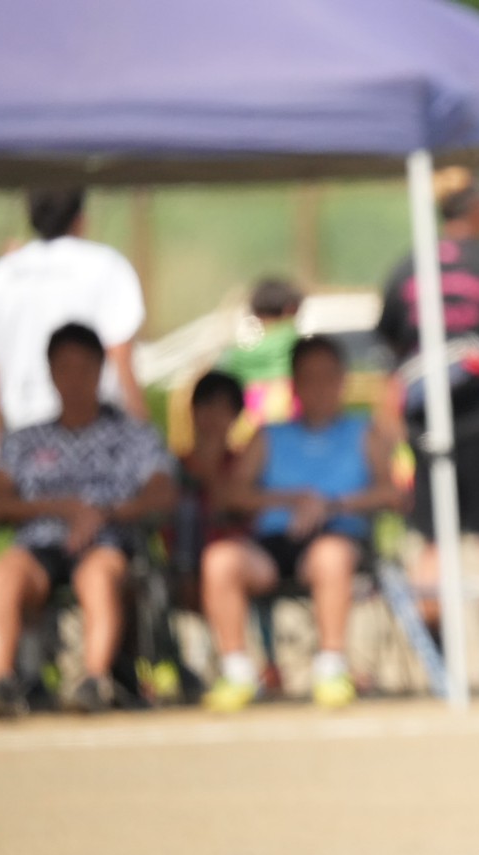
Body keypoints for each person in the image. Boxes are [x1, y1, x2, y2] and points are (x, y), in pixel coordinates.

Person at [376, 168, 479, 678]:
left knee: (432, 541)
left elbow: (390, 349)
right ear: (476, 208)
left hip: (427, 423)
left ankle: (437, 656)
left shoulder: (408, 266)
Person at [199, 337, 399, 712]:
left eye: (328, 377)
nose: (319, 388)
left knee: (330, 556)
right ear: (294, 384)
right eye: (309, 378)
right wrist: (292, 500)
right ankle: (238, 671)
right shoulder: (270, 435)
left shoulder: (364, 432)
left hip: (339, 537)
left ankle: (331, 667)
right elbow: (230, 495)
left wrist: (332, 505)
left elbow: (392, 494)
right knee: (220, 560)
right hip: (274, 543)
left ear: (343, 381)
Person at [0, 324, 176, 717]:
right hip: (39, 544)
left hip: (107, 543)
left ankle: (93, 679)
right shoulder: (25, 440)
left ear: (101, 369)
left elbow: (164, 491)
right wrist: (61, 507)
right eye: (64, 368)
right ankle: (2, 681)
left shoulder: (132, 435)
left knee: (98, 575)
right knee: (4, 573)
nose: (74, 379)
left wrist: (103, 513)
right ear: (51, 372)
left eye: (84, 368)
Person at [0, 187, 149, 459]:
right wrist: (143, 437)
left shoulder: (1, 276)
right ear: (80, 218)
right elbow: (122, 361)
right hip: (98, 438)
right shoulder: (107, 266)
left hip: (23, 436)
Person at [171, 371, 249, 613]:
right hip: (181, 568)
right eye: (207, 406)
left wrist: (210, 472)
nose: (213, 417)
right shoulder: (172, 467)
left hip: (236, 559)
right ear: (192, 411)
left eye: (222, 409)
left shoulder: (244, 466)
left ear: (235, 416)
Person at [215, 277, 303, 445]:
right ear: (291, 309)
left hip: (245, 422)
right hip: (289, 415)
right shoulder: (295, 341)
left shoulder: (237, 352)